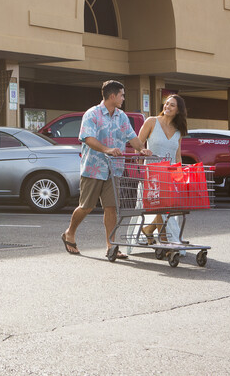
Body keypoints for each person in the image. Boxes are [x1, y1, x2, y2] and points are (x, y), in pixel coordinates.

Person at [61, 80, 151, 258]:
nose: (123, 98)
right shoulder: (92, 114)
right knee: (86, 206)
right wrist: (107, 149)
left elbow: (131, 137)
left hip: (114, 169)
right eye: (122, 95)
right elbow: (87, 138)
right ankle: (69, 233)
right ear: (112, 96)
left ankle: (112, 246)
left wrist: (141, 148)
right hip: (93, 168)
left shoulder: (121, 116)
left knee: (111, 208)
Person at [137, 94, 188, 250]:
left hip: (169, 173)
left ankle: (151, 230)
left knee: (167, 206)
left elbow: (177, 153)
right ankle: (164, 239)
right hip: (152, 173)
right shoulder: (151, 122)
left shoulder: (178, 130)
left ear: (178, 110)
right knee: (162, 206)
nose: (167, 107)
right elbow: (138, 144)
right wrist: (140, 164)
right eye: (166, 104)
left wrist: (180, 173)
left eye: (172, 105)